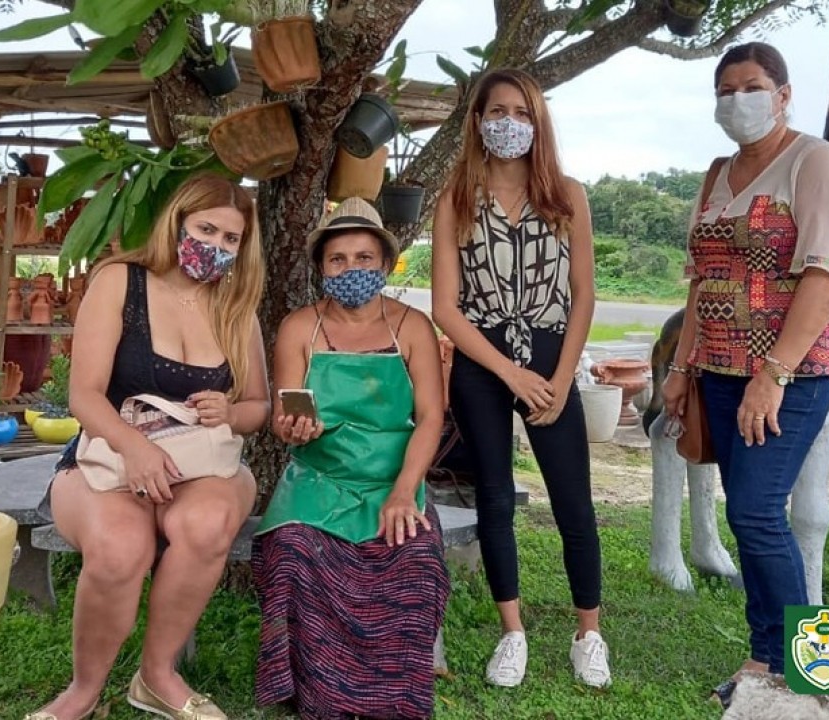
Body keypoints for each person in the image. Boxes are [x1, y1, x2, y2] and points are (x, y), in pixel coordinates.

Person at [661, 42, 829, 706]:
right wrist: (682, 368)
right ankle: (765, 658)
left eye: (750, 86)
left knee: (754, 513)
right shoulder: (717, 172)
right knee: (750, 517)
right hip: (718, 373)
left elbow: (826, 275)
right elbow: (702, 281)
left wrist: (771, 374)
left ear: (782, 93)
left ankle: (809, 666)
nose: (736, 100)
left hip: (791, 376)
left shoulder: (816, 162)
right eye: (724, 89)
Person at [25, 173, 270, 720]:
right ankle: (83, 691)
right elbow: (83, 396)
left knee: (204, 525)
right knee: (119, 548)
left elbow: (259, 406)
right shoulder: (120, 281)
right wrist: (132, 445)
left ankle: (157, 676)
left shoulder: (236, 306)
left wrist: (232, 412)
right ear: (177, 221)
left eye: (231, 239)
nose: (216, 246)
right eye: (206, 229)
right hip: (110, 457)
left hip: (202, 464)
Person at [431, 68, 609, 688]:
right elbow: (446, 308)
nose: (509, 123)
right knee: (496, 498)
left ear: (538, 123)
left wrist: (558, 380)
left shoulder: (567, 195)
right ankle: (513, 633)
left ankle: (589, 632)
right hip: (483, 362)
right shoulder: (455, 196)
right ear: (478, 120)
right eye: (497, 111)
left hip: (552, 354)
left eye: (521, 112)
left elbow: (584, 296)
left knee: (573, 501)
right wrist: (510, 371)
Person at [253, 197, 450, 720]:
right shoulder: (299, 328)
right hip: (318, 479)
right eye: (338, 259)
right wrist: (294, 427)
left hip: (393, 478)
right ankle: (320, 693)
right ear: (321, 267)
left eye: (364, 258)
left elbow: (431, 417)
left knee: (414, 558)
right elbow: (284, 413)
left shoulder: (412, 327)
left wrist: (404, 492)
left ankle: (394, 690)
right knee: (294, 551)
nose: (352, 269)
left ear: (385, 264)